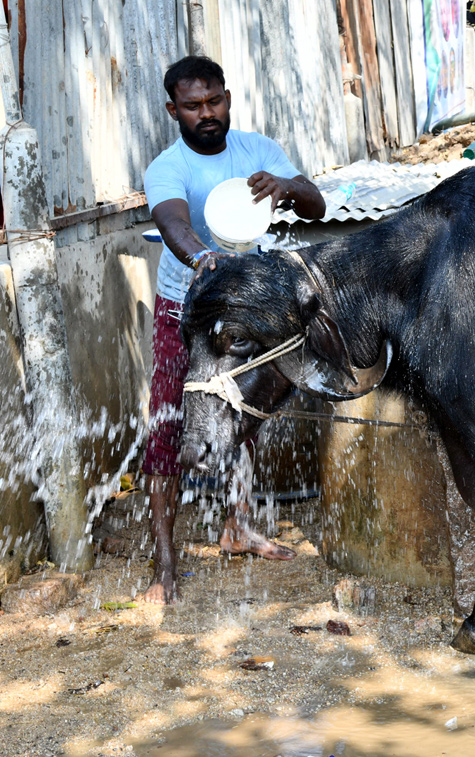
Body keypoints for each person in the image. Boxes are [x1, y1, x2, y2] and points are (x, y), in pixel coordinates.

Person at [141, 55, 326, 604]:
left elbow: (315, 206)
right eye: (193, 106)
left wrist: (287, 186)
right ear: (174, 109)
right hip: (187, 311)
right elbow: (172, 222)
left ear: (227, 97)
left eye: (215, 100)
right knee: (169, 424)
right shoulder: (167, 166)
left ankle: (237, 526)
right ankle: (165, 566)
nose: (207, 113)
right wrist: (202, 260)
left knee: (244, 416)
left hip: (249, 314)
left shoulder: (258, 151)